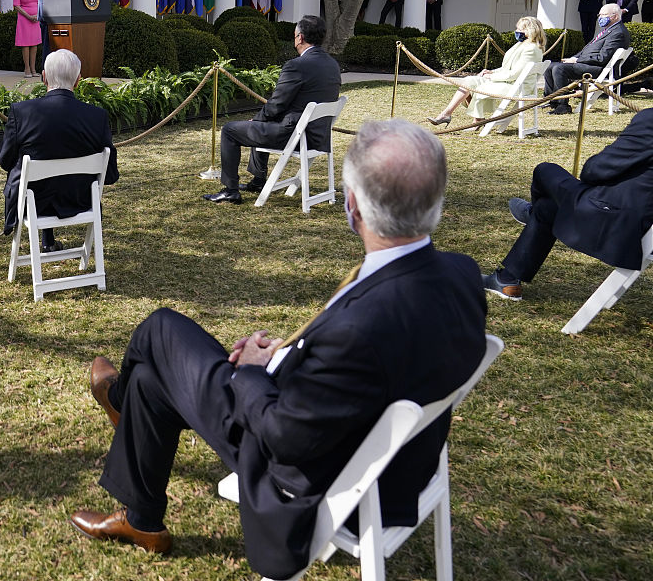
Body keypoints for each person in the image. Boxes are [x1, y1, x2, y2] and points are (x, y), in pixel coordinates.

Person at [71, 120, 487, 580]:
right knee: (153, 381)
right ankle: (141, 518)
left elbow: (283, 436)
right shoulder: (460, 274)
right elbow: (358, 366)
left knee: (159, 329)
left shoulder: (359, 330)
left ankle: (119, 400)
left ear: (352, 205)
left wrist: (251, 371)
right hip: (388, 454)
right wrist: (286, 359)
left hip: (304, 466)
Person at [483, 108, 653, 301]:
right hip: (641, 225)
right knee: (548, 208)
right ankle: (507, 280)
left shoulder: (650, 120)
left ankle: (532, 213)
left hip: (619, 225)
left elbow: (594, 171)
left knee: (545, 170)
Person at [203, 15, 341, 204]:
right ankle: (259, 181)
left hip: (294, 135)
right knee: (262, 121)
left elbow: (276, 104)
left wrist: (257, 119)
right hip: (318, 135)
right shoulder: (332, 65)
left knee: (230, 130)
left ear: (300, 38)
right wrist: (261, 119)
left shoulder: (297, 66)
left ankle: (230, 190)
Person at [0, 49, 119, 251]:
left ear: (43, 78)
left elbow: (5, 160)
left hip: (32, 202)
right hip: (81, 199)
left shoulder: (22, 112)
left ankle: (47, 240)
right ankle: (48, 240)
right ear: (78, 80)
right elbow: (110, 175)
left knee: (34, 177)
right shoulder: (97, 117)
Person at [426, 16, 545, 127]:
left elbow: (514, 74)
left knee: (475, 85)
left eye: (520, 29)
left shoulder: (531, 49)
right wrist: (491, 72)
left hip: (517, 86)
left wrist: (492, 77)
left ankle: (463, 118)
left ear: (530, 31)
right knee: (469, 81)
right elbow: (508, 68)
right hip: (511, 82)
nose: (516, 31)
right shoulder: (522, 44)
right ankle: (453, 115)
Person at [544, 3, 629, 115]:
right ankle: (553, 101)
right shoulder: (609, 29)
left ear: (615, 16)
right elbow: (588, 49)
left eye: (604, 15)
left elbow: (602, 58)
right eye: (600, 15)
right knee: (550, 66)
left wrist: (577, 61)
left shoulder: (618, 32)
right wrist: (573, 57)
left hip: (600, 68)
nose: (600, 18)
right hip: (590, 64)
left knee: (559, 69)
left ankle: (563, 105)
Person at [13, 0, 41, 78]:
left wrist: (37, 15)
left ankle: (34, 69)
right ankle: (27, 69)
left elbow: (40, 1)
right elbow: (17, 5)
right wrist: (29, 16)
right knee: (26, 44)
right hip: (24, 19)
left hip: (36, 18)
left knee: (34, 44)